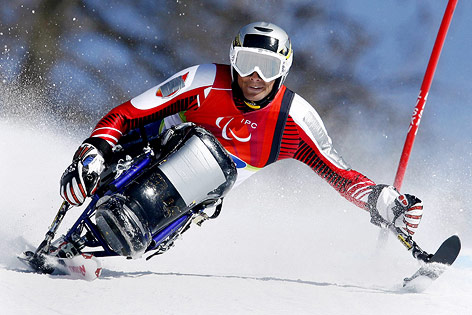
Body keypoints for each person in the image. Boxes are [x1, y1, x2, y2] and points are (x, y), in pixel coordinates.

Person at [60, 22, 423, 240]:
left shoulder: (294, 118)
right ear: (233, 60)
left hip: (197, 191)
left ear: (284, 69)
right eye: (247, 64)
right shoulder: (203, 80)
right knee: (171, 140)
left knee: (204, 166)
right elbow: (128, 114)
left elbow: (340, 174)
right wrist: (95, 150)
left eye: (268, 68)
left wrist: (383, 200)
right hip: (155, 146)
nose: (255, 79)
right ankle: (82, 208)